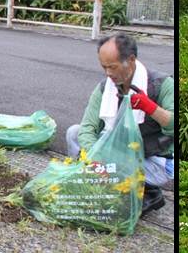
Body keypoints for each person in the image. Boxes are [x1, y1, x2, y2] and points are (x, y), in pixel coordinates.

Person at [66, 34, 175, 216]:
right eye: (104, 67)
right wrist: (95, 160)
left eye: (113, 67)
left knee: (117, 179)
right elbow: (87, 128)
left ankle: (149, 191)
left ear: (131, 60)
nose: (108, 73)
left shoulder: (162, 84)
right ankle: (112, 181)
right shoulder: (105, 88)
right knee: (73, 133)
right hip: (118, 155)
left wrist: (151, 107)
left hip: (153, 161)